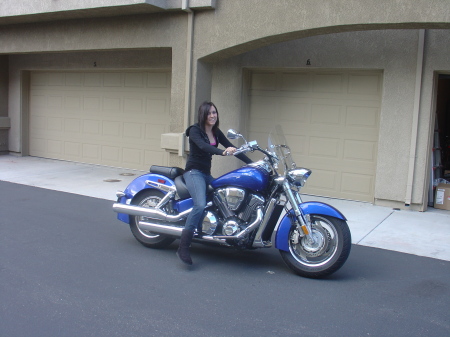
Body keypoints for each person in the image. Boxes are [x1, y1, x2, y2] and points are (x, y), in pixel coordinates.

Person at [177, 101, 253, 265]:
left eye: (215, 112)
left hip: (206, 174)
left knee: (223, 199)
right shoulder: (195, 130)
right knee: (200, 204)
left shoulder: (216, 132)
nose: (213, 115)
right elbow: (204, 147)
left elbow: (234, 148)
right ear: (203, 115)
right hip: (193, 172)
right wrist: (221, 152)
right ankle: (183, 246)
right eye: (209, 113)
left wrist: (253, 164)